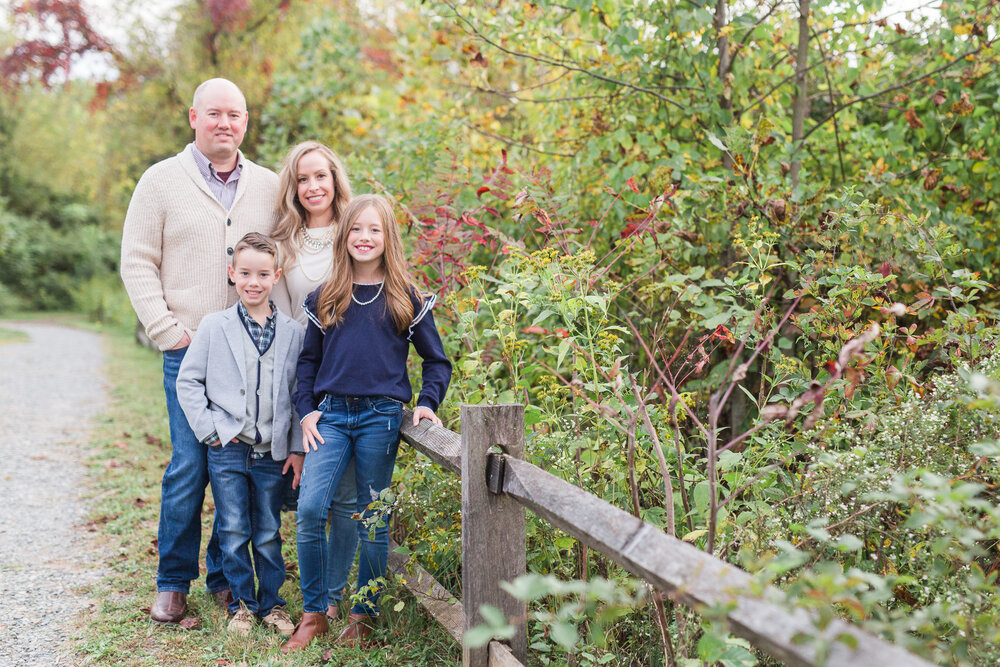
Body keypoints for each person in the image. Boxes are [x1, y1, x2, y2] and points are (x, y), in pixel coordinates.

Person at [120, 78, 280, 623]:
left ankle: (224, 578)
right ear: (194, 117)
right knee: (191, 465)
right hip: (188, 352)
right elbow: (137, 260)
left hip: (250, 357)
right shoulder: (162, 181)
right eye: (214, 114)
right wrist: (169, 331)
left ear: (245, 121)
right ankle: (172, 584)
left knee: (238, 465)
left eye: (234, 115)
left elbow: (286, 261)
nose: (225, 124)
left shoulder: (268, 185)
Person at [281, 194, 452, 651]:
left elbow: (437, 362)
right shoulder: (327, 295)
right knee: (312, 509)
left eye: (374, 230)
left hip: (381, 417)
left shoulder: (404, 298)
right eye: (356, 229)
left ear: (387, 237)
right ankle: (315, 613)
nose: (364, 237)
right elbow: (308, 366)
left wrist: (428, 402)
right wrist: (307, 410)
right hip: (331, 417)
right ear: (344, 235)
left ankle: (364, 614)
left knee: (372, 518)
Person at [175, 233, 302, 637]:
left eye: (263, 274)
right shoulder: (214, 326)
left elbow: (301, 395)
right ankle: (240, 606)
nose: (253, 282)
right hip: (228, 448)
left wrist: (297, 447)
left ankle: (273, 605)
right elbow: (188, 382)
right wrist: (210, 430)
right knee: (232, 528)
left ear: (276, 276)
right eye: (245, 273)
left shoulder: (293, 333)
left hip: (272, 451)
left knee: (267, 530)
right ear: (232, 275)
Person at [270, 141, 360, 622]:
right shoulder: (284, 243)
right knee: (307, 501)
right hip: (308, 372)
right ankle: (304, 601)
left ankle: (334, 598)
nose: (312, 187)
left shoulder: (358, 230)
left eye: (320, 176)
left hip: (353, 375)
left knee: (347, 497)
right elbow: (286, 327)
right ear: (293, 186)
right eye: (302, 179)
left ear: (335, 179)